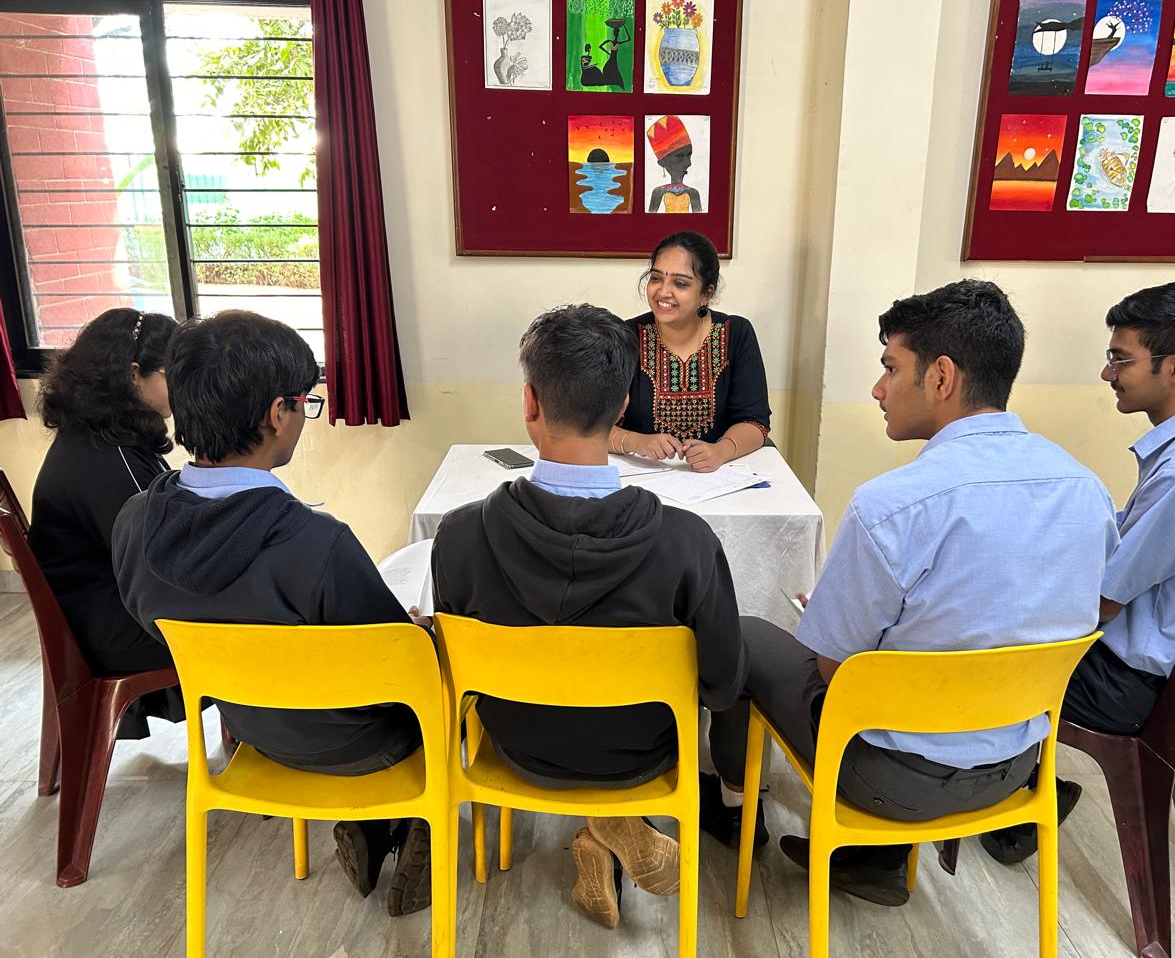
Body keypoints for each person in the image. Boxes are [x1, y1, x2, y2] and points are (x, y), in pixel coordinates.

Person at [703, 279, 1119, 906]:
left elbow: (835, 671)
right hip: (1017, 769)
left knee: (746, 632)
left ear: (941, 377)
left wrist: (843, 630)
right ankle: (874, 863)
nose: (878, 389)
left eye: (891, 368)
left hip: (886, 781)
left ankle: (738, 812)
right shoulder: (1087, 489)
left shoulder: (891, 506)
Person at [431, 303, 748, 928]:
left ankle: (598, 836)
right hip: (642, 756)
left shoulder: (460, 535)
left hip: (516, 748)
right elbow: (722, 684)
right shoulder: (686, 542)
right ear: (624, 405)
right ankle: (611, 823)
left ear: (530, 403)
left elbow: (454, 668)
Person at [111, 310, 431, 917]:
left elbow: (149, 618)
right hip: (362, 745)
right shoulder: (316, 543)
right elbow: (395, 679)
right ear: (277, 413)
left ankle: (380, 824)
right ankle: (408, 819)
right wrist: (419, 636)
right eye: (305, 403)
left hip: (251, 733)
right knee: (450, 671)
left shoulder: (135, 523)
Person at [982, 280, 1175, 865]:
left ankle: (997, 799)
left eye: (1121, 360)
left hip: (1125, 684)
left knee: (963, 639)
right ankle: (1015, 783)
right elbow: (1126, 548)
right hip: (1167, 664)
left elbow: (1100, 604)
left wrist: (1000, 598)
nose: (1107, 373)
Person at [28, 308, 184, 739]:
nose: (182, 385)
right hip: (111, 629)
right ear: (134, 375)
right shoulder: (106, 458)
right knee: (260, 610)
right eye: (172, 373)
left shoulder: (97, 437)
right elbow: (162, 560)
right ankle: (284, 743)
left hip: (98, 613)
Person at [611, 231, 770, 472]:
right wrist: (637, 442)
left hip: (717, 477)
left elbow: (755, 422)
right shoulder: (625, 336)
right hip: (640, 475)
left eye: (680, 283)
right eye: (656, 278)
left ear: (707, 293)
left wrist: (721, 451)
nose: (663, 292)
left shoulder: (736, 334)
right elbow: (587, 426)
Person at [646, 115, 703, 213]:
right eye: (679, 156)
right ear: (661, 163)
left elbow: (700, 219)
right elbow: (650, 219)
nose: (688, 163)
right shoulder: (658, 192)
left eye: (689, 155)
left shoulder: (693, 193)